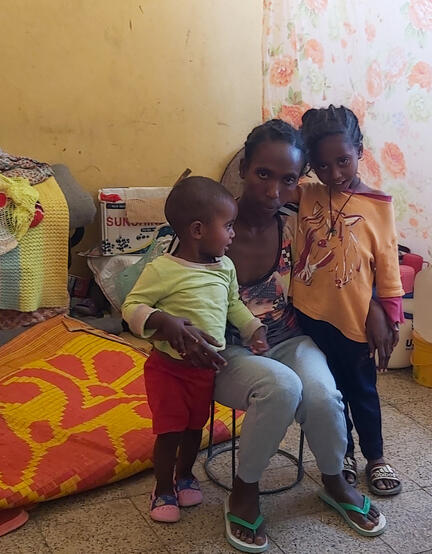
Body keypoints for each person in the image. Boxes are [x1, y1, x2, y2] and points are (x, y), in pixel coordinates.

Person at [165, 120, 388, 552]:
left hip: (288, 338)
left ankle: (333, 481)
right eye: (263, 175)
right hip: (224, 351)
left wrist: (377, 301)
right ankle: (245, 489)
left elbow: (357, 254)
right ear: (244, 169)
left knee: (324, 393)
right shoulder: (208, 228)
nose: (273, 191)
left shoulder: (295, 226)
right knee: (282, 387)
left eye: (288, 180)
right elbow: (165, 285)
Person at [122, 176, 270, 524]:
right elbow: (131, 307)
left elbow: (233, 305)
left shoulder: (225, 268)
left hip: (204, 371)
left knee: (194, 429)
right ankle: (162, 488)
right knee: (170, 430)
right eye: (228, 226)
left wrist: (254, 329)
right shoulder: (163, 269)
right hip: (169, 369)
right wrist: (165, 320)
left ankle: (185, 475)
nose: (233, 234)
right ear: (199, 230)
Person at [292, 105, 405, 498]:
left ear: (360, 150)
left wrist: (390, 318)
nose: (334, 173)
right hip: (308, 315)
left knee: (361, 391)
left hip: (354, 319)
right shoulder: (306, 194)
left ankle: (375, 456)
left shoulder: (378, 205)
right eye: (322, 166)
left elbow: (388, 267)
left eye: (343, 160)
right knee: (328, 391)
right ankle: (343, 454)